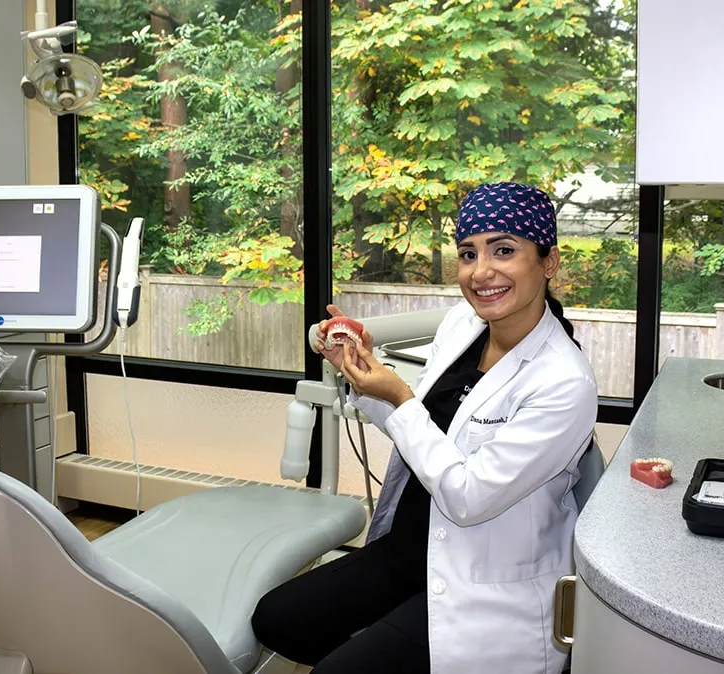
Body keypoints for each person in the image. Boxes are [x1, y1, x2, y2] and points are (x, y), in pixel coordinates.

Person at [251, 182, 598, 674]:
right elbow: (416, 428)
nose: (481, 272)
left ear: (548, 261)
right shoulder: (463, 324)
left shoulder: (564, 381)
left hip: (483, 582)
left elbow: (467, 497)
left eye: (504, 250)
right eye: (467, 253)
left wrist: (398, 394)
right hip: (413, 548)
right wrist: (361, 371)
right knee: (277, 619)